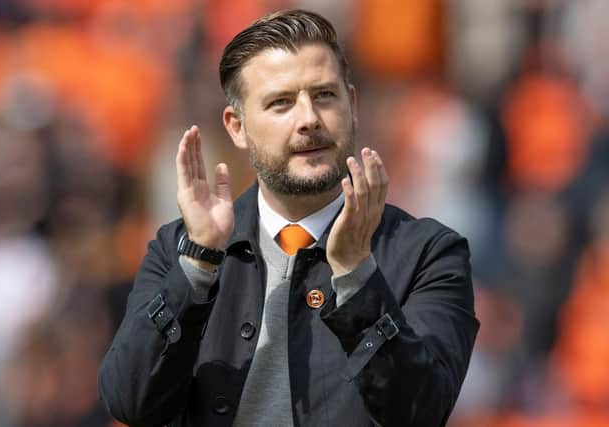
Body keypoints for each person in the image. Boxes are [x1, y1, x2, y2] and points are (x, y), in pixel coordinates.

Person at [98, 9, 479, 427]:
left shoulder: (429, 253)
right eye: (281, 103)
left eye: (324, 96)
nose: (309, 119)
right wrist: (198, 265)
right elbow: (129, 400)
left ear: (351, 104)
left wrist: (356, 278)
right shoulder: (181, 250)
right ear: (237, 127)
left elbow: (422, 411)